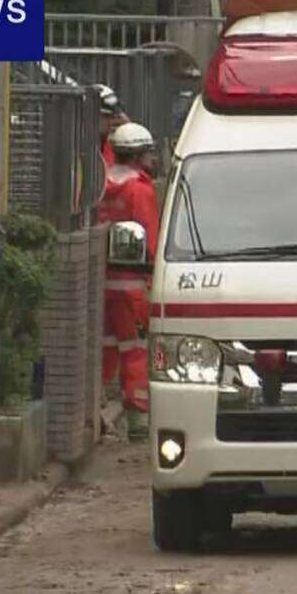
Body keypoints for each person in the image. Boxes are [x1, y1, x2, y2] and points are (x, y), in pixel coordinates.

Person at [98, 122, 159, 440]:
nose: (152, 158)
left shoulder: (101, 183)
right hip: (133, 284)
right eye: (148, 152)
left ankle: (94, 410)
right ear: (137, 155)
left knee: (105, 347)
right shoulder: (140, 189)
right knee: (135, 350)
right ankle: (137, 420)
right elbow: (150, 238)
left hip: (100, 282)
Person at [91, 84, 129, 170]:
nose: (112, 121)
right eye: (107, 116)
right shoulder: (74, 150)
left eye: (114, 116)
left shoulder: (111, 147)